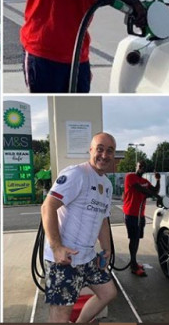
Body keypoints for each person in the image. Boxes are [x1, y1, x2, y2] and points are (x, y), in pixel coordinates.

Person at [41, 132, 117, 323]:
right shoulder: (77, 174)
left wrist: (106, 249)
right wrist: (56, 247)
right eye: (100, 149)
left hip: (88, 257)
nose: (104, 155)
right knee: (61, 313)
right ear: (91, 150)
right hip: (64, 259)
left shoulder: (107, 184)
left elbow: (103, 219)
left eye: (110, 150)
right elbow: (47, 206)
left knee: (108, 293)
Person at [122, 160, 162, 277]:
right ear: (136, 166)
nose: (142, 169)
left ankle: (134, 262)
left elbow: (154, 190)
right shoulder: (130, 177)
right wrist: (156, 196)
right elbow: (140, 189)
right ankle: (133, 266)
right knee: (133, 239)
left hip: (141, 214)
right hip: (131, 213)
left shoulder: (145, 181)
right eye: (140, 166)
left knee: (137, 239)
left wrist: (158, 180)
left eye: (144, 167)